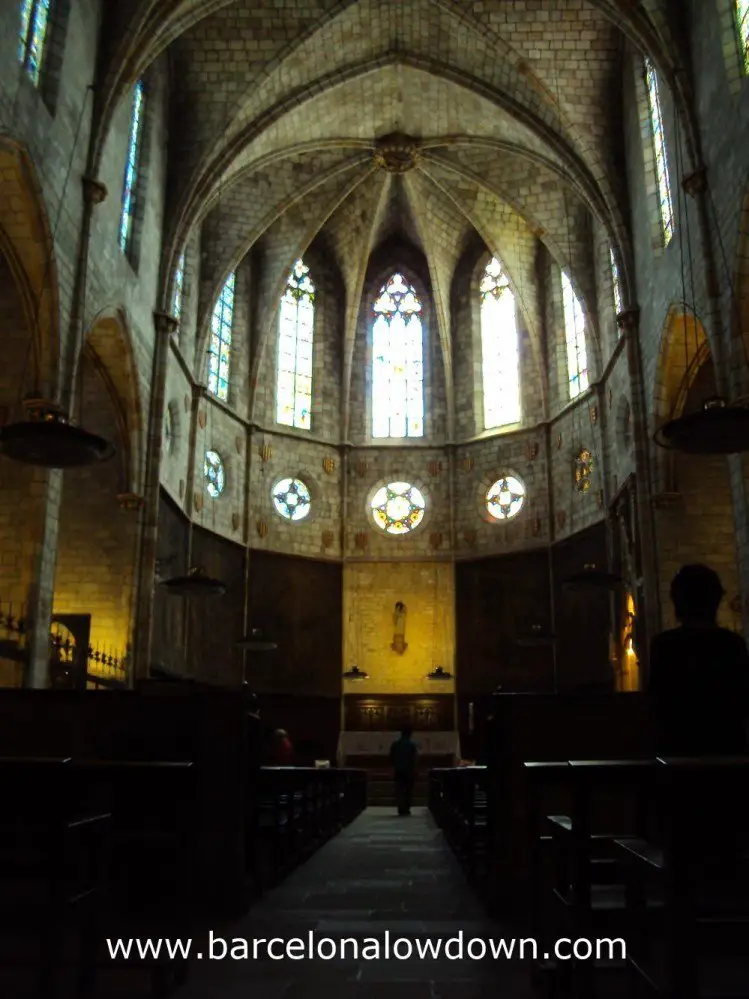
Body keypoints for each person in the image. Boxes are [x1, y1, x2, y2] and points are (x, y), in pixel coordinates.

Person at [649, 564, 749, 756]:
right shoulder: (732, 645)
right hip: (727, 750)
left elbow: (658, 705)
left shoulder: (665, 646)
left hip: (677, 751)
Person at [389, 726, 418, 816]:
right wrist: (415, 769)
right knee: (408, 790)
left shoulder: (395, 744)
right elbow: (415, 758)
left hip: (398, 770)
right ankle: (407, 807)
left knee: (399, 789)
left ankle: (400, 807)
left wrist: (394, 766)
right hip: (409, 770)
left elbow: (391, 757)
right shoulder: (412, 744)